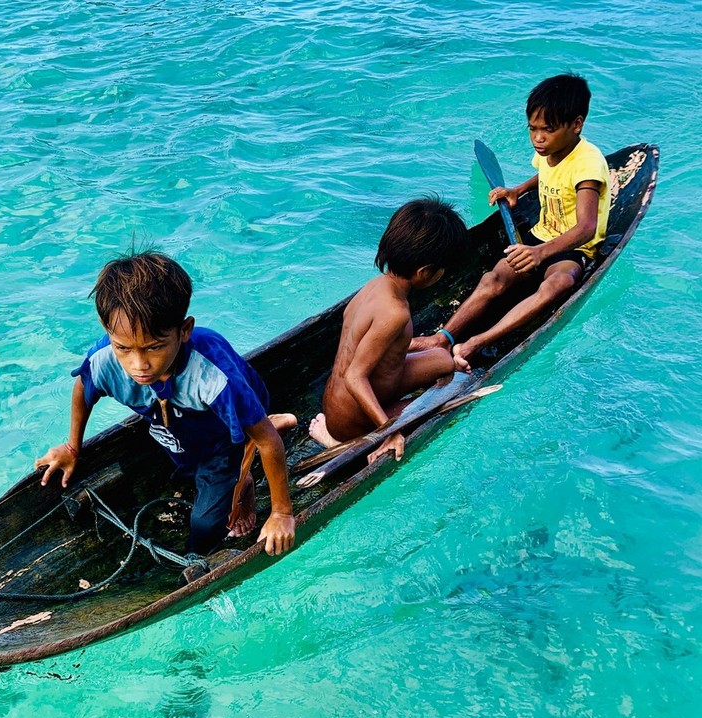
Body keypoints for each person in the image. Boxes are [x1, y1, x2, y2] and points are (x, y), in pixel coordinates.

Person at [35, 252, 296, 557]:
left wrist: (281, 513)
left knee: (204, 526)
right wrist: (72, 447)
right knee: (185, 463)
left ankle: (245, 466)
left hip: (224, 427)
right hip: (178, 422)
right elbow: (83, 389)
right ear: (109, 333)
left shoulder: (212, 376)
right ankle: (251, 448)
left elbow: (269, 441)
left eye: (154, 347)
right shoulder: (104, 359)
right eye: (123, 348)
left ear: (184, 331)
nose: (139, 365)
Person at [411, 73, 609, 368]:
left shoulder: (589, 164)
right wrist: (518, 190)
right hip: (539, 236)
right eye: (533, 130)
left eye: (548, 130)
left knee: (557, 285)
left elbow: (586, 228)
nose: (538, 139)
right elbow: (547, 173)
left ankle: (479, 341)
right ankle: (444, 337)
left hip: (572, 248)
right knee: (493, 279)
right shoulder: (549, 149)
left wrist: (540, 253)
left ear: (576, 125)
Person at [309, 197, 470, 462]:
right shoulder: (395, 312)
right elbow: (354, 377)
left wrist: (426, 344)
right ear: (425, 272)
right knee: (458, 390)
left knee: (443, 359)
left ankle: (344, 433)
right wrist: (390, 432)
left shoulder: (374, 287)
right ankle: (342, 443)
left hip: (337, 405)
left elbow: (382, 349)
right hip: (350, 420)